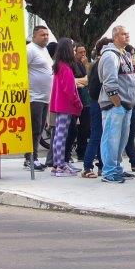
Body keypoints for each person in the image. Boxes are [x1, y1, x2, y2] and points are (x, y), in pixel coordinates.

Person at [97, 25, 135, 184]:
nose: (127, 36)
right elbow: (109, 82)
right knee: (111, 139)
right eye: (123, 34)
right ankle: (109, 171)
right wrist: (116, 102)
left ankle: (117, 168)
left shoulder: (125, 54)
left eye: (127, 33)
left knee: (120, 140)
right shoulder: (110, 56)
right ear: (115, 37)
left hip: (125, 105)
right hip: (115, 106)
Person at [47, 39, 83, 176]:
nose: (74, 52)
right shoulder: (66, 68)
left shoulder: (58, 66)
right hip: (66, 106)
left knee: (58, 135)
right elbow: (70, 90)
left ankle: (57, 164)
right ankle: (60, 166)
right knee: (61, 135)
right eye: (73, 49)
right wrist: (78, 103)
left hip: (59, 105)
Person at [81, 38, 110, 178]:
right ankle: (87, 167)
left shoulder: (102, 63)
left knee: (103, 135)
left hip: (99, 102)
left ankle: (102, 165)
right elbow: (94, 88)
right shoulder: (100, 64)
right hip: (98, 103)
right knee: (97, 135)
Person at [25, 24, 53, 170]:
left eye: (47, 35)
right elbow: (22, 69)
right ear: (34, 36)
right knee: (35, 129)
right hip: (34, 96)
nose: (46, 37)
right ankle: (31, 158)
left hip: (45, 97)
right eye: (42, 35)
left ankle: (30, 157)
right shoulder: (30, 50)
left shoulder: (44, 50)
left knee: (40, 128)